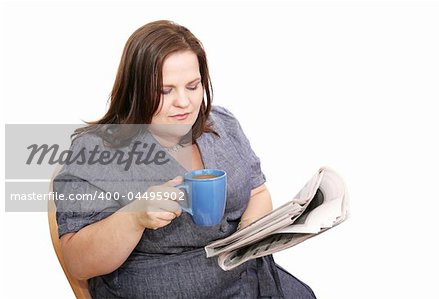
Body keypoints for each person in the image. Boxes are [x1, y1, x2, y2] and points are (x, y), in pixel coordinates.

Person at [54, 20, 316, 299]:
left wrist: (249, 233)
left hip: (248, 283)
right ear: (135, 89)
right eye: (165, 91)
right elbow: (78, 263)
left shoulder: (223, 125)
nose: (184, 102)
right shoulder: (95, 151)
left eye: (193, 86)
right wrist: (134, 218)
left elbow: (258, 192)